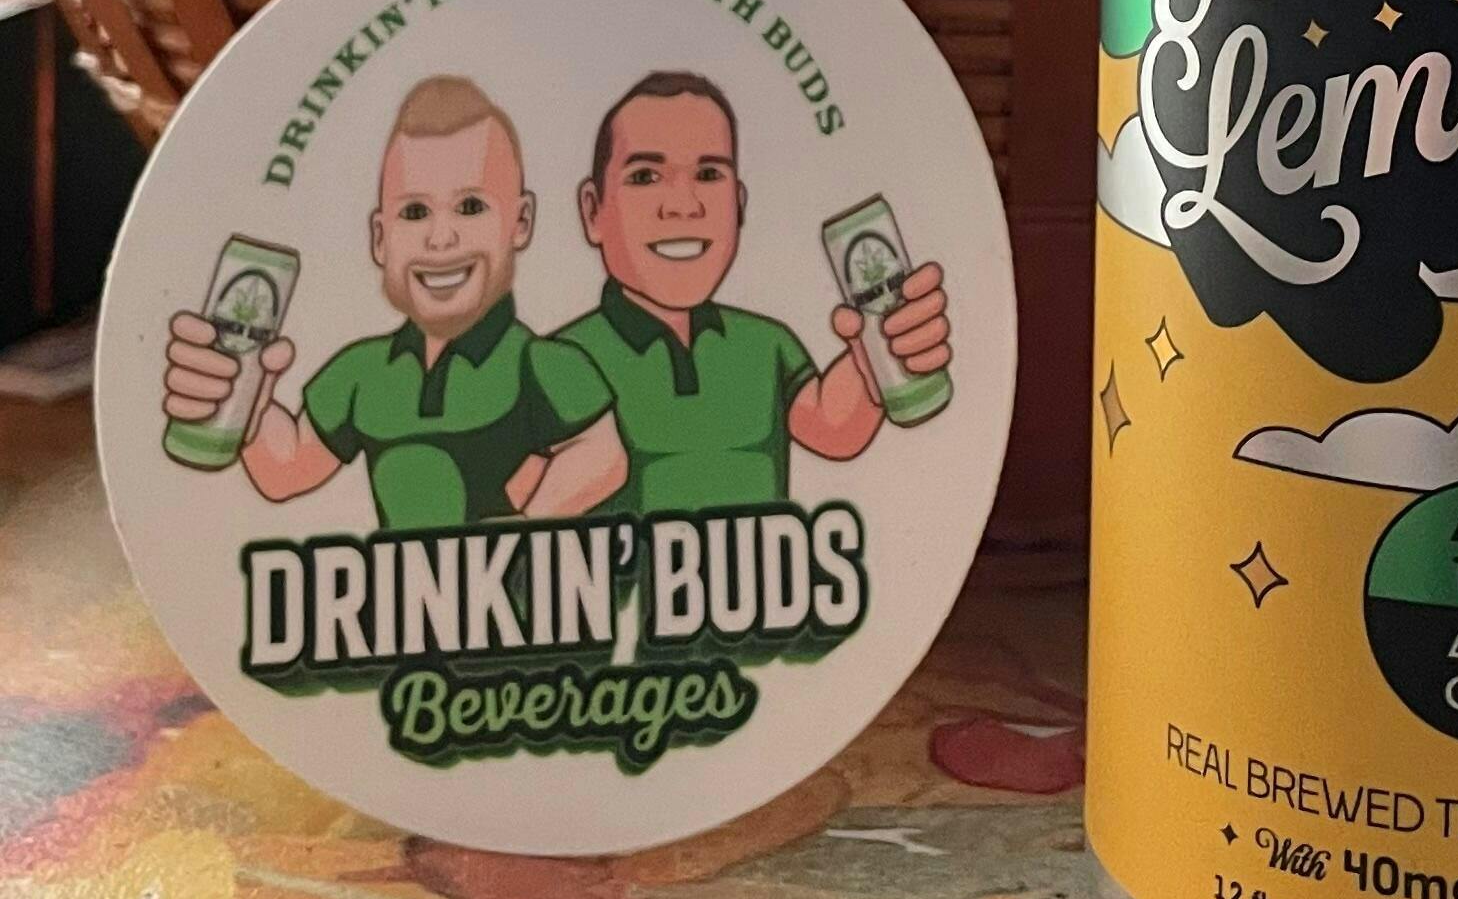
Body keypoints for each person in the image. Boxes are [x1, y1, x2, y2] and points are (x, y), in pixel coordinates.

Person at [161, 76, 626, 528]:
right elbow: (287, 471)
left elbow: (603, 456)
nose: (440, 238)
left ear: (520, 222)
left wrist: (527, 524)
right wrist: (247, 402)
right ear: (381, 239)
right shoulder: (360, 371)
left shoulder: (540, 363)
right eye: (414, 212)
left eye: (470, 207)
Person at [558, 68, 950, 515]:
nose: (684, 206)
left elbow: (834, 431)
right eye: (646, 176)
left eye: (709, 174)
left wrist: (879, 356)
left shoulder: (765, 343)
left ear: (738, 205)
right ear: (593, 211)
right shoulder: (557, 359)